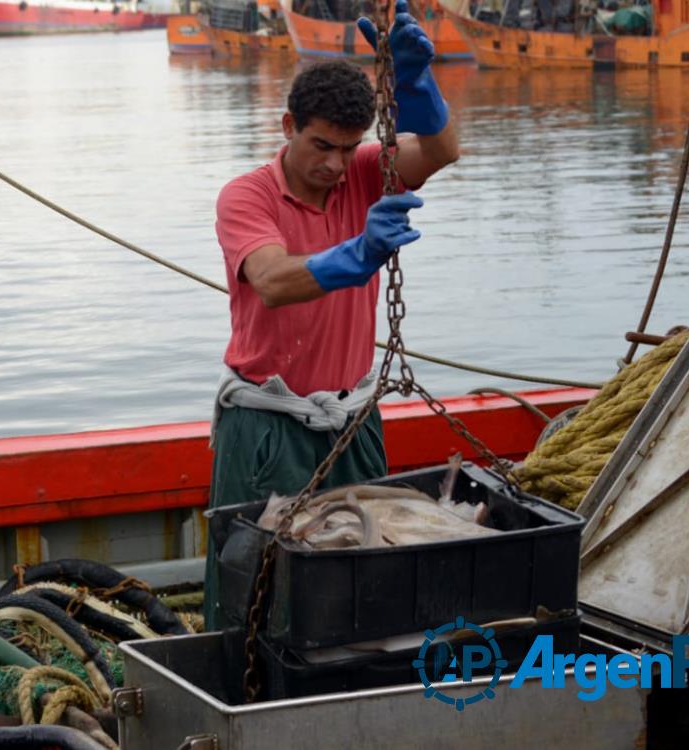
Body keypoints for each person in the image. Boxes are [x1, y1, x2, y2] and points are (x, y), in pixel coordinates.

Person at [204, 0, 459, 629]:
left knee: (367, 572)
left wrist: (417, 85)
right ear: (288, 125)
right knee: (253, 576)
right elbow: (271, 280)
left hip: (352, 416)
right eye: (320, 145)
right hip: (270, 423)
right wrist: (360, 252)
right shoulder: (247, 195)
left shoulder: (366, 173)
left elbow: (443, 150)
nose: (334, 164)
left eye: (348, 149)